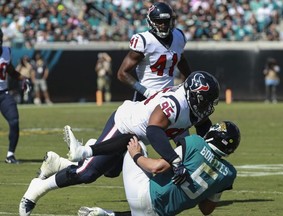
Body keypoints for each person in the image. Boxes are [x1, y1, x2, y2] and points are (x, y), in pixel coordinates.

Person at [19, 71, 220, 216]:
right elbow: (154, 130)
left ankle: (68, 158)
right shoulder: (176, 103)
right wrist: (175, 161)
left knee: (112, 171)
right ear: (193, 96)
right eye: (205, 101)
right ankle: (36, 189)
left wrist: (214, 150)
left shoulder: (194, 108)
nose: (207, 107)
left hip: (136, 138)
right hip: (124, 125)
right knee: (86, 174)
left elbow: (202, 128)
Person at [78, 120, 241, 216]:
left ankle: (94, 150)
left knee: (134, 138)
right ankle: (106, 214)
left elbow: (156, 167)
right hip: (160, 213)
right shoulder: (229, 174)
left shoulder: (196, 143)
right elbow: (206, 209)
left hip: (142, 193)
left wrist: (136, 155)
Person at [117, 2, 191, 102]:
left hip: (169, 96)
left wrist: (190, 81)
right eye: (159, 21)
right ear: (151, 21)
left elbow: (181, 60)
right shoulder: (144, 41)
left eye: (165, 21)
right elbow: (122, 73)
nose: (163, 25)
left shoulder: (178, 36)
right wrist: (147, 92)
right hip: (145, 96)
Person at [0, 29, 31, 164]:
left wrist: (23, 78)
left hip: (3, 94)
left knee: (14, 121)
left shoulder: (6, 51)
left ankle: (10, 155)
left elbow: (10, 70)